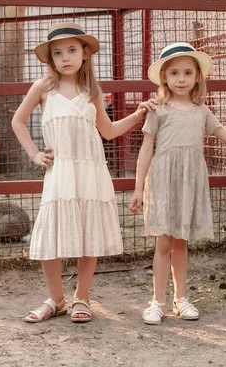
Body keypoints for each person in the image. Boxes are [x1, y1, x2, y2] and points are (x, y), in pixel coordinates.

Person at [11, 22, 157, 323]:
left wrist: (138, 114)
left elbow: (109, 130)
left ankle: (81, 297)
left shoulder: (92, 90)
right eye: (58, 53)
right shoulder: (43, 88)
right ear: (50, 59)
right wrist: (34, 153)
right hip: (61, 171)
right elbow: (18, 121)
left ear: (85, 53)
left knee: (88, 232)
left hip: (90, 171)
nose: (66, 57)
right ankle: (56, 299)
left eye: (72, 50)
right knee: (52, 233)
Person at [129, 42, 226, 325]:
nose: (181, 79)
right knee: (163, 243)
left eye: (187, 73)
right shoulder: (159, 109)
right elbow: (146, 149)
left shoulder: (201, 110)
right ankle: (157, 302)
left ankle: (181, 299)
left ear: (197, 77)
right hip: (163, 180)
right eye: (175, 73)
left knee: (180, 243)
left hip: (189, 181)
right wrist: (137, 188)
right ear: (164, 78)